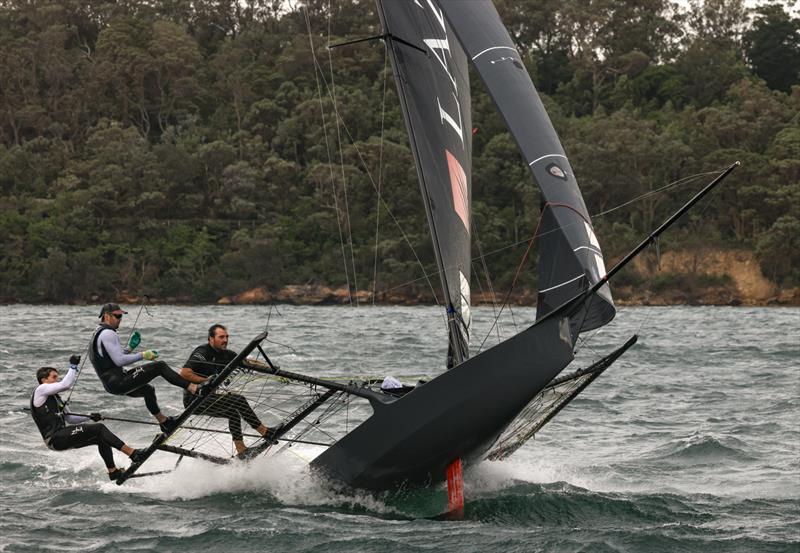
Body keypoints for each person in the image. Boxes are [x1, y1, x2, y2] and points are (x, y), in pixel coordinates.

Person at [89, 303, 205, 434]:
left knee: (148, 390)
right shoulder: (108, 333)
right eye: (117, 316)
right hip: (118, 381)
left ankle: (164, 422)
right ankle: (194, 388)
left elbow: (111, 359)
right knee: (160, 366)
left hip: (111, 385)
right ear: (106, 317)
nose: (120, 319)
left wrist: (130, 349)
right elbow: (119, 361)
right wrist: (142, 355)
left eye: (121, 316)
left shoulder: (97, 333)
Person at [30, 355, 146, 482]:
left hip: (61, 437)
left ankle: (113, 472)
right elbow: (66, 385)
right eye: (54, 377)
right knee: (99, 429)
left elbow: (70, 419)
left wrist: (90, 416)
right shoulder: (40, 390)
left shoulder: (55, 398)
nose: (57, 380)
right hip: (55, 439)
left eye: (57, 377)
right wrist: (73, 366)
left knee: (101, 438)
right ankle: (133, 454)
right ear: (43, 380)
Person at [180, 324, 273, 456]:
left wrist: (271, 369)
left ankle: (241, 450)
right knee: (238, 400)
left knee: (233, 412)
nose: (225, 340)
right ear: (211, 339)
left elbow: (247, 363)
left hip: (209, 398)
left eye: (227, 337)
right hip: (194, 400)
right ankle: (265, 432)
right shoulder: (202, 352)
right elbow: (184, 373)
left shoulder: (227, 354)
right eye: (221, 337)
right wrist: (205, 381)